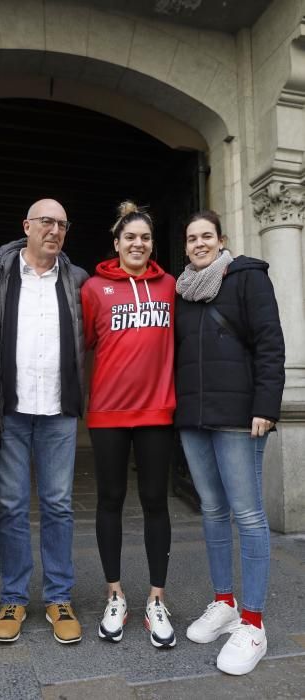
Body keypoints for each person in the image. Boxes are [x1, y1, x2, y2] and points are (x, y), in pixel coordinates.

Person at [0, 199, 88, 644]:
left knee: (58, 505)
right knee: (13, 507)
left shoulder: (76, 280)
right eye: (46, 222)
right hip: (11, 411)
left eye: (61, 223)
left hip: (59, 411)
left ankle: (59, 597)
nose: (54, 230)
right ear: (27, 226)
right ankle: (14, 597)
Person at [175, 210, 285, 676]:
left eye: (207, 236)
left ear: (221, 240)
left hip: (241, 418)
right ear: (185, 247)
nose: (199, 243)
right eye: (191, 238)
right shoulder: (181, 291)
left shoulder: (248, 279)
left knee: (249, 515)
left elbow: (269, 343)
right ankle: (224, 602)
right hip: (194, 419)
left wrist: (267, 405)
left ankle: (254, 624)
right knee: (213, 511)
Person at [81, 201, 176, 647]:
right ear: (116, 243)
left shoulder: (170, 286)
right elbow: (83, 346)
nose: (138, 244)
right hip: (108, 414)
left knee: (156, 502)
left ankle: (156, 599)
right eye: (130, 237)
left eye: (145, 238)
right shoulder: (94, 289)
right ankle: (115, 594)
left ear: (152, 244)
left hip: (157, 411)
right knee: (111, 500)